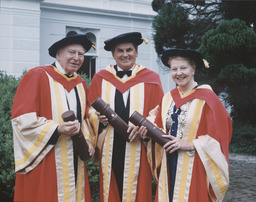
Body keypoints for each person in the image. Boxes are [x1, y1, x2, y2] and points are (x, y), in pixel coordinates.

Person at [11, 34, 96, 202]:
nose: (77, 58)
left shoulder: (80, 83)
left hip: (74, 159)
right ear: (59, 54)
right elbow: (22, 120)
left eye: (81, 54)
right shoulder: (37, 76)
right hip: (46, 158)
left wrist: (88, 139)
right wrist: (56, 128)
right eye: (71, 52)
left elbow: (85, 118)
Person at [141, 49, 232, 202]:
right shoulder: (168, 98)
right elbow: (160, 127)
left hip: (194, 165)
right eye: (174, 69)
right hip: (169, 163)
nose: (179, 73)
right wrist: (147, 132)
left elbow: (220, 134)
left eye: (183, 68)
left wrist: (190, 144)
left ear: (193, 69)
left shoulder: (207, 99)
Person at [87, 32, 164, 202]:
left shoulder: (152, 79)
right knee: (110, 189)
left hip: (138, 146)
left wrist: (144, 129)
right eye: (119, 51)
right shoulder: (100, 78)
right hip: (109, 146)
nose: (125, 54)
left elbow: (159, 113)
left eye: (129, 50)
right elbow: (88, 109)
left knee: (138, 192)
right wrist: (97, 118)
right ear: (113, 54)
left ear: (136, 52)